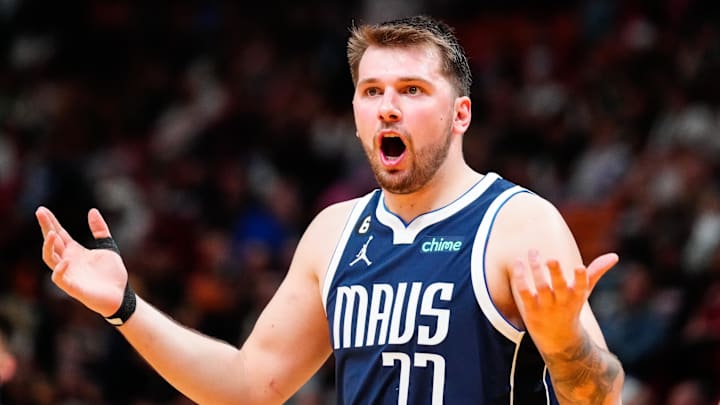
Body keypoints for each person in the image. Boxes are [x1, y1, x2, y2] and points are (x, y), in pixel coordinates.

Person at [36, 15, 624, 404]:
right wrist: (123, 307)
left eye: (412, 90)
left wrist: (563, 338)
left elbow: (604, 394)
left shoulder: (519, 223)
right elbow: (247, 385)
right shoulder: (335, 233)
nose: (387, 108)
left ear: (461, 115)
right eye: (372, 92)